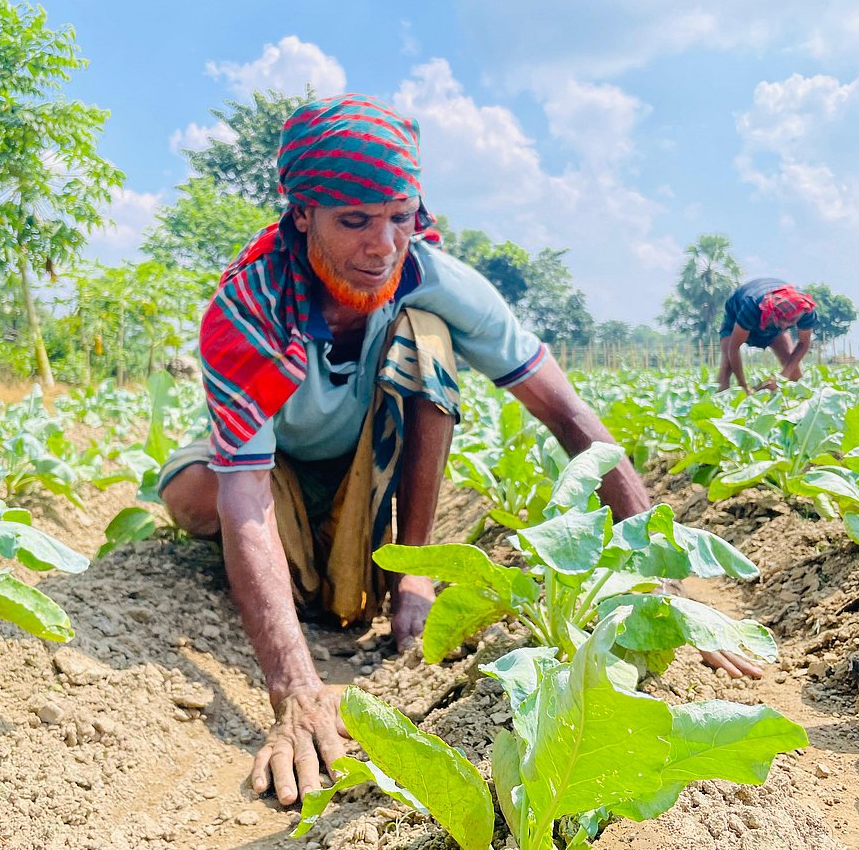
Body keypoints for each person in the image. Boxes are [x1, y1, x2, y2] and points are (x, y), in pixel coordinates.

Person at [158, 94, 761, 807]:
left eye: (399, 218)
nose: (382, 243)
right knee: (197, 492)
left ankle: (405, 573)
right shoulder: (248, 309)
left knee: (428, 337)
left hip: (367, 473)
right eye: (353, 221)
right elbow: (247, 495)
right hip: (274, 472)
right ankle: (278, 589)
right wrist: (294, 691)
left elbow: (569, 416)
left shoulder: (433, 278)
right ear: (301, 215)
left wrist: (665, 582)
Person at [718, 278, 818, 393]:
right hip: (736, 315)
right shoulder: (751, 306)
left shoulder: (806, 310)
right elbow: (734, 348)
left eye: (790, 321)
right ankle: (721, 398)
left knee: (793, 369)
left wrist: (781, 378)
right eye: (782, 320)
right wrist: (743, 386)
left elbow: (804, 343)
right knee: (726, 367)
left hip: (771, 324)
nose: (785, 325)